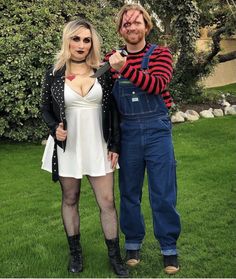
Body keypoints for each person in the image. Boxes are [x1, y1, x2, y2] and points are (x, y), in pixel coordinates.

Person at [41, 19, 128, 277]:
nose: (81, 45)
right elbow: (45, 109)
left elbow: (113, 110)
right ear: (67, 40)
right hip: (68, 146)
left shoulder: (103, 70)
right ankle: (75, 254)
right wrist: (53, 129)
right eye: (76, 39)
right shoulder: (54, 72)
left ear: (93, 43)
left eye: (87, 39)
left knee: (108, 201)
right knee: (70, 199)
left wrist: (115, 144)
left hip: (98, 143)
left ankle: (115, 257)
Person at [104, 3, 181, 275]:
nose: (131, 27)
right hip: (128, 134)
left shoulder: (161, 54)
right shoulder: (109, 60)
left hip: (157, 130)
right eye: (126, 24)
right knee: (129, 194)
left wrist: (124, 68)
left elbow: (157, 84)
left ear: (146, 26)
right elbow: (102, 98)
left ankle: (169, 248)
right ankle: (133, 243)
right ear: (120, 29)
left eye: (136, 22)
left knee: (163, 193)